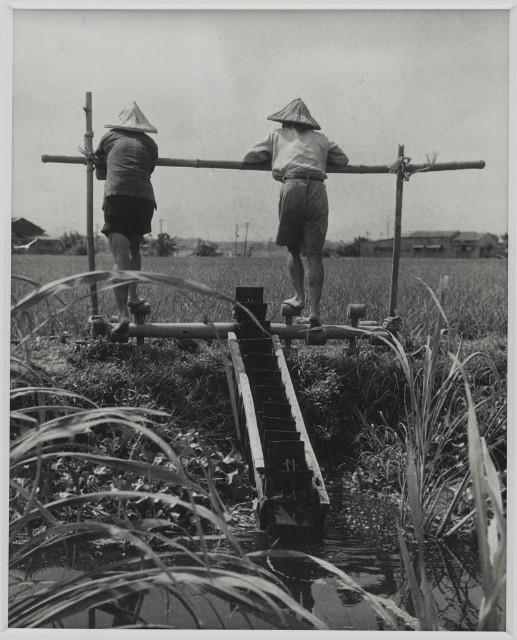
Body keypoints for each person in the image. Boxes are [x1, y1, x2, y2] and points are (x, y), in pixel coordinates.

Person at [243, 98, 349, 327]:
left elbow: (249, 156)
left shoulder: (278, 135)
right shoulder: (322, 139)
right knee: (314, 255)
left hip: (293, 186)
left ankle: (299, 297)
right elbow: (342, 159)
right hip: (318, 189)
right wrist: (319, 159)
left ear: (286, 122)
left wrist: (276, 157)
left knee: (292, 248)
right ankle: (315, 311)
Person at [95, 101, 158, 334]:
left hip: (118, 195)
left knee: (120, 255)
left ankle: (122, 315)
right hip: (143, 197)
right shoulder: (150, 144)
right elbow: (148, 170)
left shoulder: (108, 137)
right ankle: (134, 297)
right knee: (134, 248)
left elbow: (101, 174)